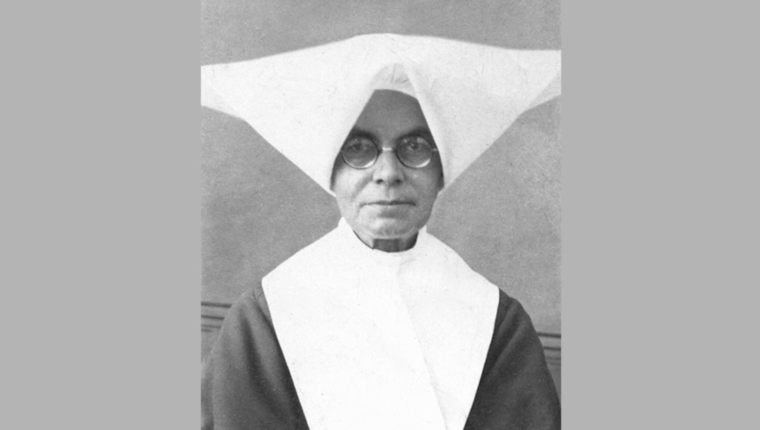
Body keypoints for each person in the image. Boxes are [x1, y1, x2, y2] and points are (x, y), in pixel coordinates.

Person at [201, 34, 561, 430]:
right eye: (359, 148)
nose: (388, 174)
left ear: (442, 171)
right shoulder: (264, 318)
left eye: (415, 146)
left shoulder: (496, 322)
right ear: (329, 171)